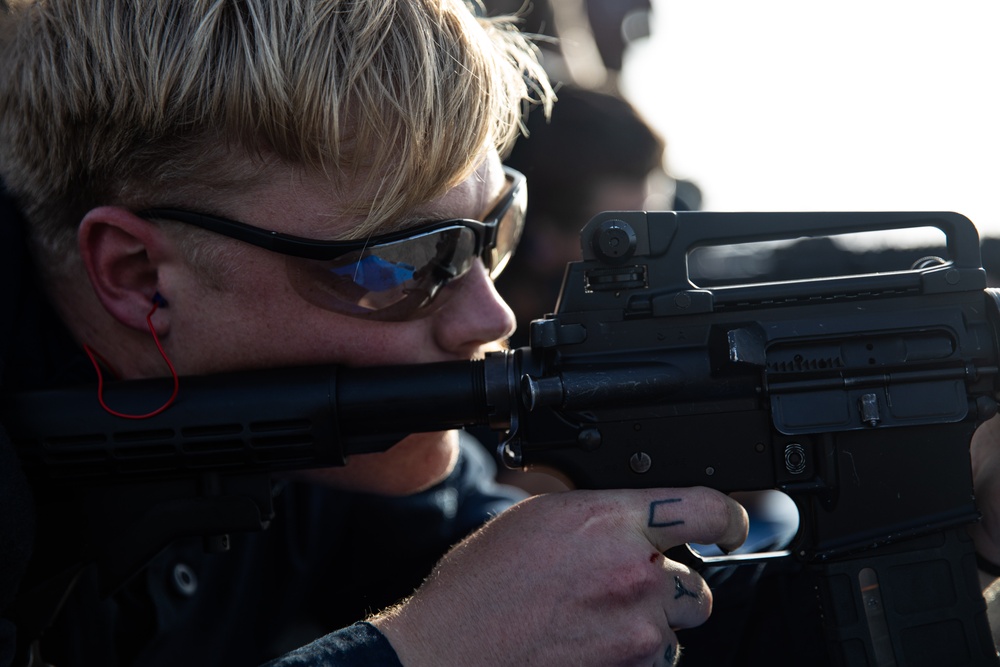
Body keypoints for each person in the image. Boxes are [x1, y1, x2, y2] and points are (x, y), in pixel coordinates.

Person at [0, 1, 749, 666]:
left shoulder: (329, 431)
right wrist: (419, 650)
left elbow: (510, 570)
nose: (493, 317)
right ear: (137, 274)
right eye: (406, 262)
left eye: (495, 232)